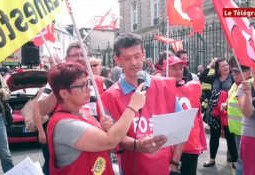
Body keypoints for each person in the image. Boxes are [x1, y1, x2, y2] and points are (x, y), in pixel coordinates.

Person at [101, 33, 183, 175]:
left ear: (144, 54)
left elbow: (182, 126)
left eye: (137, 56)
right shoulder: (109, 96)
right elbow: (114, 137)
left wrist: (175, 163)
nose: (133, 62)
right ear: (118, 60)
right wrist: (138, 146)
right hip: (131, 169)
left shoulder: (165, 86)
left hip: (165, 168)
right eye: (127, 58)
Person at [46, 62, 146, 175]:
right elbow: (110, 142)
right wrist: (133, 107)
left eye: (87, 83)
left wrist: (108, 129)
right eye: (82, 85)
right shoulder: (64, 124)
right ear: (64, 93)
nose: (88, 89)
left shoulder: (84, 114)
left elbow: (107, 148)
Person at [36, 42, 114, 175]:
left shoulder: (99, 81)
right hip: (70, 142)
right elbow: (41, 109)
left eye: (83, 55)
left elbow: (107, 111)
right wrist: (60, 86)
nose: (80, 58)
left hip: (96, 139)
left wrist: (108, 124)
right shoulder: (58, 82)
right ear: (66, 59)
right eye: (76, 55)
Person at [163, 56, 207, 175]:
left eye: (181, 68)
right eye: (174, 68)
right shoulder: (160, 90)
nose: (178, 71)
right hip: (168, 145)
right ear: (165, 70)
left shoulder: (194, 87)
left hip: (190, 143)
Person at [200, 57, 238, 167]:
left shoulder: (233, 78)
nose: (226, 67)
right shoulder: (214, 78)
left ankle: (235, 160)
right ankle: (212, 159)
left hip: (227, 111)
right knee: (214, 136)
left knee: (230, 137)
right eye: (223, 66)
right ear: (218, 69)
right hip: (214, 112)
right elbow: (202, 77)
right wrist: (211, 63)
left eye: (227, 65)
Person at [225, 65, 251, 175]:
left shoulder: (249, 85)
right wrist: (225, 104)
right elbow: (230, 99)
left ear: (247, 73)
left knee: (243, 160)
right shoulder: (236, 85)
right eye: (233, 71)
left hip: (246, 130)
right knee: (241, 157)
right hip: (236, 129)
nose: (233, 74)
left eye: (237, 71)